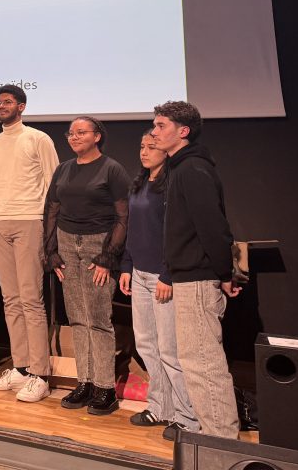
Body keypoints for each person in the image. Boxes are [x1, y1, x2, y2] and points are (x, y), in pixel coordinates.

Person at [150, 100, 241, 440]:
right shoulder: (181, 168)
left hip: (199, 278)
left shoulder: (193, 169)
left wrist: (224, 274)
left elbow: (214, 228)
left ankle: (222, 442)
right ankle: (213, 435)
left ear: (183, 131)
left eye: (161, 126)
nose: (154, 132)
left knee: (203, 363)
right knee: (195, 362)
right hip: (190, 277)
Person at [44, 117, 130, 415]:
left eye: (81, 132)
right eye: (71, 133)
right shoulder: (63, 169)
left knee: (97, 319)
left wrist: (108, 257)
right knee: (77, 318)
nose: (74, 137)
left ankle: (105, 387)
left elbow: (123, 216)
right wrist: (51, 251)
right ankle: (85, 382)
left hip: (97, 246)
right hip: (67, 244)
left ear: (97, 136)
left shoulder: (112, 169)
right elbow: (51, 209)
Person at [120, 131, 199, 434]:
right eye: (142, 146)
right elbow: (133, 229)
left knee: (169, 349)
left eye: (151, 147)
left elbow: (175, 233)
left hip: (162, 276)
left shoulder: (171, 186)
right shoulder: (140, 183)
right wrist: (127, 265)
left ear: (165, 150)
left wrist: (168, 273)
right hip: (140, 275)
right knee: (146, 344)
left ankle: (187, 417)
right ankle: (160, 406)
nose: (145, 151)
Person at [0, 85, 59, 402]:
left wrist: (48, 228)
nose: (2, 106)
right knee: (10, 299)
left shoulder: (37, 139)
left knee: (31, 299)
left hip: (30, 219)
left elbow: (53, 184)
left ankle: (40, 374)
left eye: (8, 102)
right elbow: (0, 178)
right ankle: (21, 366)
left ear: (22, 106)